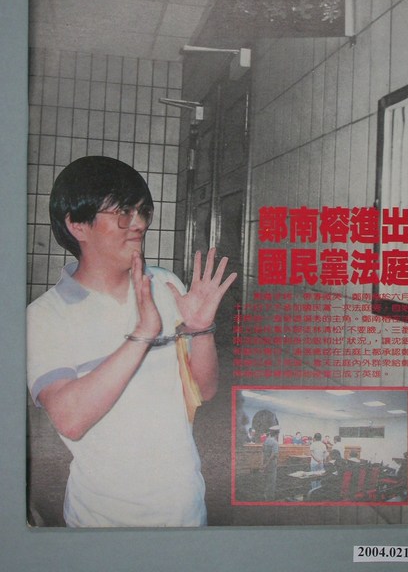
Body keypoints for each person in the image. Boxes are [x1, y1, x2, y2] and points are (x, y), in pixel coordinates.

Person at [27, 156, 237, 528]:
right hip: (102, 521)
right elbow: (70, 420)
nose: (138, 224)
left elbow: (204, 390)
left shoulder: (166, 285)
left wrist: (200, 329)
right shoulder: (45, 315)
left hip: (186, 510)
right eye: (123, 212)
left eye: (143, 211)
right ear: (77, 224)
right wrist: (142, 335)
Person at [262, 426, 280, 501]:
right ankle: (270, 500)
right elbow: (273, 455)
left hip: (265, 464)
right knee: (271, 483)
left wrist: (263, 464)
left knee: (266, 482)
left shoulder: (266, 441)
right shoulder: (275, 443)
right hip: (271, 465)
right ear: (277, 434)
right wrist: (267, 464)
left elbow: (263, 452)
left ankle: (265, 497)